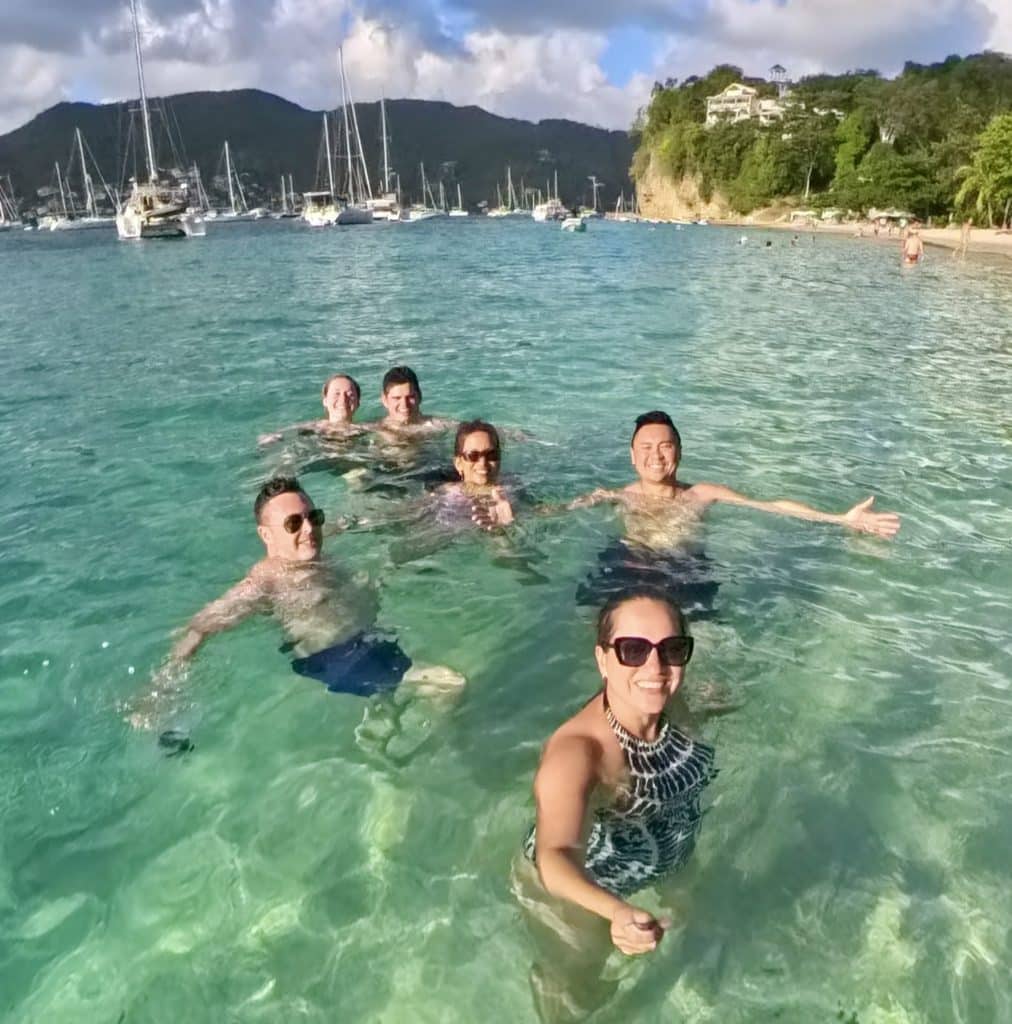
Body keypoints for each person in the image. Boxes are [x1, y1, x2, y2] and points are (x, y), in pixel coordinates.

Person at [513, 589, 715, 1023]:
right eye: (633, 650)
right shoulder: (579, 753)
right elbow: (556, 855)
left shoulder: (669, 704)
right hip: (583, 885)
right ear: (603, 660)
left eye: (672, 650)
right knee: (575, 985)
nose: (655, 668)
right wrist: (615, 911)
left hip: (664, 853)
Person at [126, 476, 462, 728]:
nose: (308, 529)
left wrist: (433, 505)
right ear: (266, 535)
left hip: (367, 639)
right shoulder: (265, 580)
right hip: (337, 660)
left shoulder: (313, 547)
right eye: (292, 523)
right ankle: (438, 767)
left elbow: (359, 521)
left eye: (313, 517)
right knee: (449, 684)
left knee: (404, 690)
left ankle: (382, 732)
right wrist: (163, 687)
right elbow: (200, 627)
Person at [567, 411, 900, 550]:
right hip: (634, 568)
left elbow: (770, 507)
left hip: (687, 572)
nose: (656, 455)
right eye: (646, 447)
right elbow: (556, 512)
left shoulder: (701, 494)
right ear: (632, 455)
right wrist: (514, 515)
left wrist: (840, 519)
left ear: (679, 452)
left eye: (665, 446)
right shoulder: (615, 496)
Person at [435, 420, 516, 530]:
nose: (482, 463)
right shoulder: (446, 497)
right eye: (473, 456)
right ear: (458, 464)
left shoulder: (514, 488)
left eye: (491, 455)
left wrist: (506, 527)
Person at [258, 373, 364, 446]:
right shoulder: (312, 428)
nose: (343, 399)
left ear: (358, 402)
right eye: (337, 394)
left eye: (350, 395)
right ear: (325, 400)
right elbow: (279, 435)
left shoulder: (365, 429)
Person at [371, 366, 455, 437]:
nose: (404, 404)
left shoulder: (436, 427)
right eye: (397, 398)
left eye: (410, 397)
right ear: (384, 400)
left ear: (420, 396)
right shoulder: (373, 429)